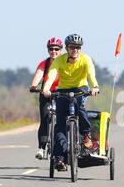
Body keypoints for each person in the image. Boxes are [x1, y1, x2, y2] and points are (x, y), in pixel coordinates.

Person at [42, 34, 99, 171]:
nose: (75, 50)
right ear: (67, 48)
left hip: (80, 88)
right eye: (72, 47)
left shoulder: (86, 59)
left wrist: (95, 87)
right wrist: (46, 88)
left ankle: (86, 135)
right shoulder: (60, 60)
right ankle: (60, 159)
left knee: (80, 109)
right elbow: (52, 75)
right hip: (63, 90)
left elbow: (91, 75)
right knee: (59, 124)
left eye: (78, 47)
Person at [30, 37, 63, 159]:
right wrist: (34, 85)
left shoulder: (65, 62)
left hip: (61, 94)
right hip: (46, 93)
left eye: (56, 49)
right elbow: (39, 74)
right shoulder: (45, 63)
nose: (53, 51)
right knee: (44, 120)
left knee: (64, 119)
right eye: (51, 49)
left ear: (61, 50)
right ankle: (42, 148)